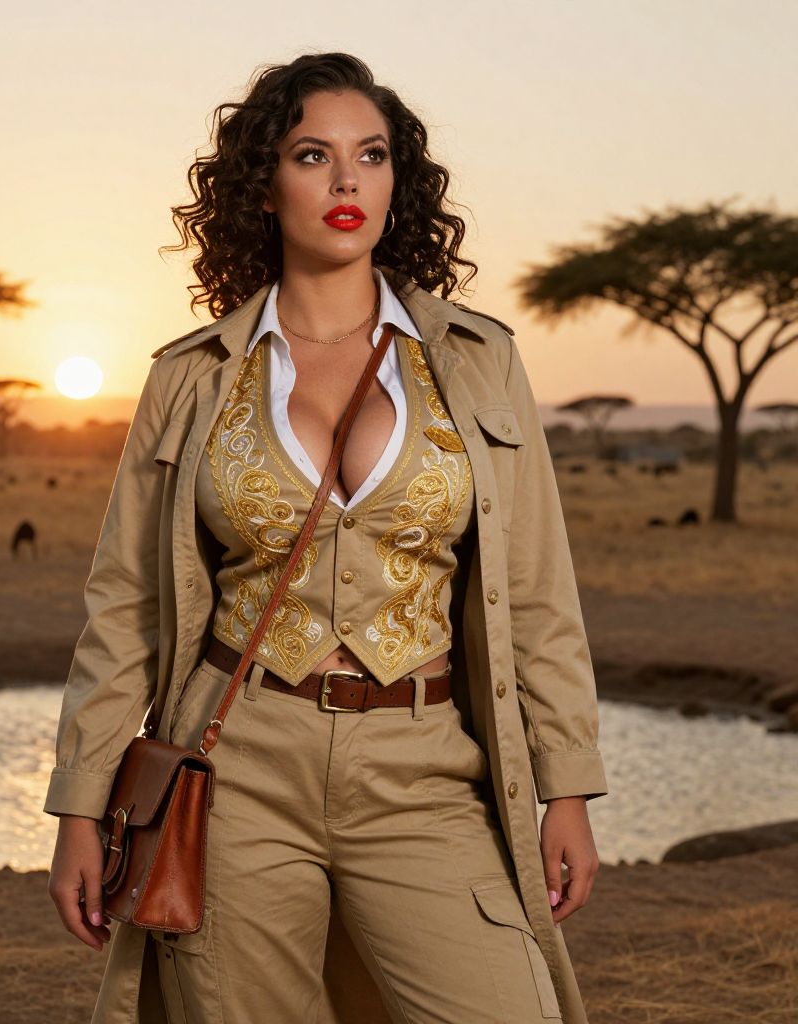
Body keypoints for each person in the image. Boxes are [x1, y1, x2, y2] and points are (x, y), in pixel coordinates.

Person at [44, 52, 609, 1024]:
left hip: (428, 767)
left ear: (401, 181)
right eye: (313, 155)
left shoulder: (478, 363)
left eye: (372, 155)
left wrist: (567, 786)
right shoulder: (190, 377)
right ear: (263, 186)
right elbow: (126, 605)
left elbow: (537, 592)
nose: (347, 181)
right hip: (234, 768)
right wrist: (77, 805)